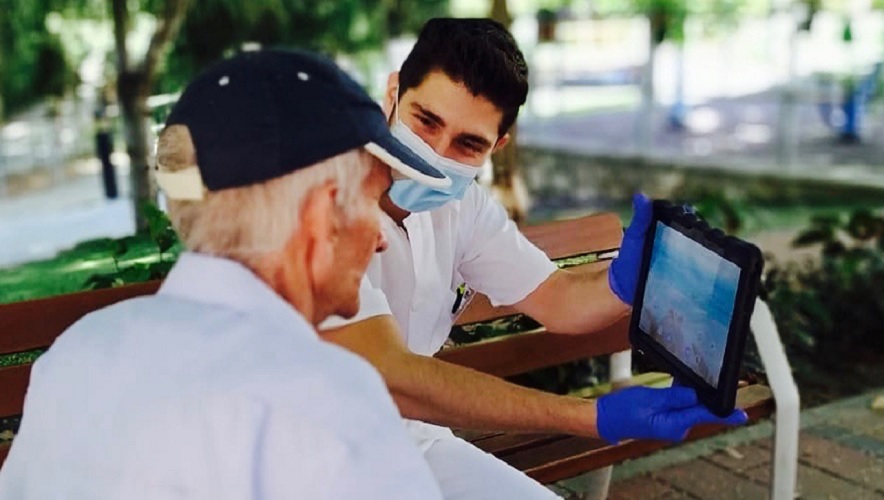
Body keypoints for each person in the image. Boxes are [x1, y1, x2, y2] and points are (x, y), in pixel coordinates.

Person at [320, 18, 748, 499]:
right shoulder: (320, 201)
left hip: (412, 441)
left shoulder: (463, 206)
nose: (435, 154)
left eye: (468, 143)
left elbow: (557, 299)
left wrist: (628, 283)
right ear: (393, 93)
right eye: (426, 121)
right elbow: (392, 378)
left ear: (497, 146)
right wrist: (591, 418)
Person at [0, 50, 449, 500]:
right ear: (321, 216)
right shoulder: (324, 399)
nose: (381, 238)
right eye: (372, 201)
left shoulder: (77, 353)